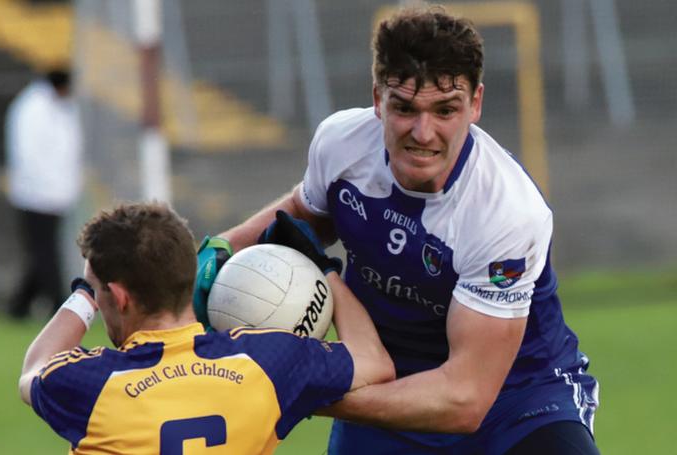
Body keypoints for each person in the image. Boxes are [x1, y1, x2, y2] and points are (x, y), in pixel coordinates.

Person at [193, 5, 600, 454]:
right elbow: (299, 219)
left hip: (518, 400)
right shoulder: (340, 143)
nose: (423, 133)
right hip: (384, 382)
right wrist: (216, 252)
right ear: (377, 99)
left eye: (445, 110)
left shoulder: (506, 211)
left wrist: (299, 386)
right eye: (404, 108)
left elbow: (465, 400)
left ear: (476, 104)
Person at [18, 202, 394, 454]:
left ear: (119, 297)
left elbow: (35, 368)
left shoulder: (90, 383)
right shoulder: (268, 362)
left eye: (99, 293)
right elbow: (374, 360)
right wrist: (324, 269)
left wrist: (83, 293)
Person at [5, 68, 83, 319]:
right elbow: (30, 154)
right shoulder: (33, 108)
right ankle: (58, 302)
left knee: (42, 251)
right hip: (35, 195)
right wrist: (52, 187)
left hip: (55, 194)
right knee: (46, 251)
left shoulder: (58, 108)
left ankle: (19, 305)